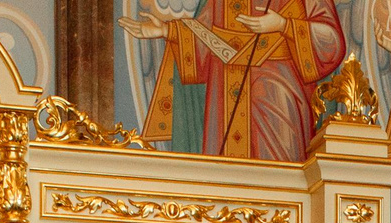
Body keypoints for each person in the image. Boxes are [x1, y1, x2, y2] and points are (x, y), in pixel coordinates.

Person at [121, 0, 348, 161]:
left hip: (278, 94)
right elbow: (206, 34)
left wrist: (283, 25)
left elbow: (331, 42)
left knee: (281, 171)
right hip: (226, 97)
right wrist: (166, 30)